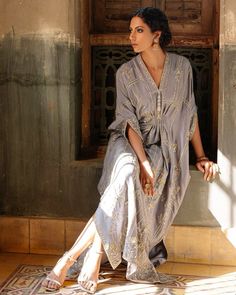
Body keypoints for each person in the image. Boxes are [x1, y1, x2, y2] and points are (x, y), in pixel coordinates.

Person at [42, 7, 218, 294]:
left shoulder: (182, 68)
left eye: (139, 30)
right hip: (127, 143)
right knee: (127, 172)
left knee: (124, 184)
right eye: (131, 30)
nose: (131, 37)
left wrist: (200, 156)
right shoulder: (125, 73)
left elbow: (189, 114)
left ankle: (83, 258)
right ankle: (75, 259)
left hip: (164, 149)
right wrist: (143, 162)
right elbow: (127, 122)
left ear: (156, 36)